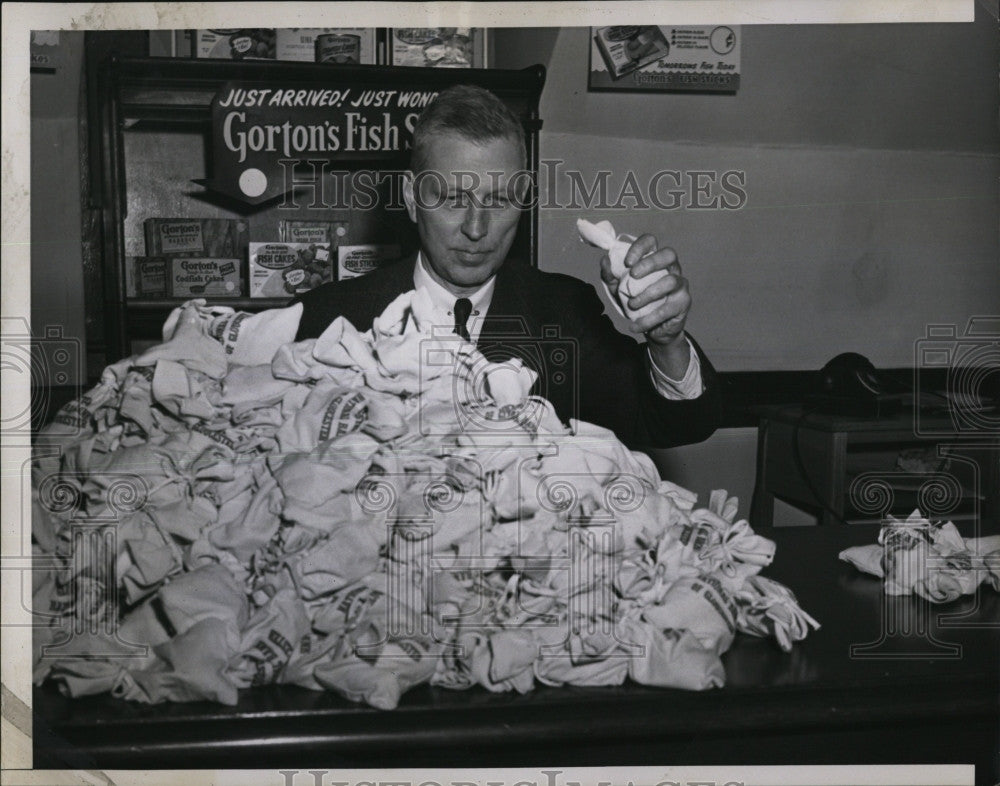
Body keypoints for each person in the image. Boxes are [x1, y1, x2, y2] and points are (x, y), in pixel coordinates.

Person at [293, 85, 721, 450]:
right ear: (410, 197)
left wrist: (667, 338)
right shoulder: (327, 320)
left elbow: (678, 424)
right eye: (453, 198)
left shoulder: (563, 311)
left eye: (498, 201)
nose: (476, 229)